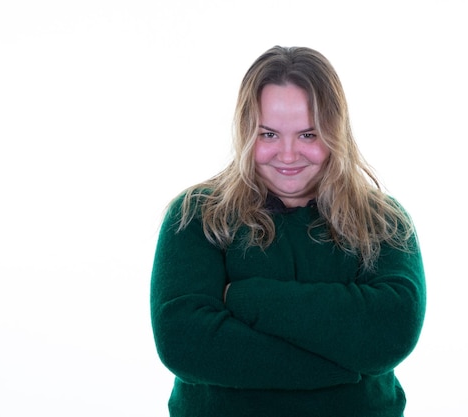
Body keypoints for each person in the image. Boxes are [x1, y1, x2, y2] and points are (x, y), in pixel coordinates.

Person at [150, 45, 426, 417]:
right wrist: (348, 365)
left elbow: (392, 331)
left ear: (335, 132)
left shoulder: (384, 222)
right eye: (268, 135)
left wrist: (246, 297)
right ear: (247, 131)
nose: (288, 154)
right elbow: (185, 344)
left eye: (308, 135)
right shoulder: (196, 216)